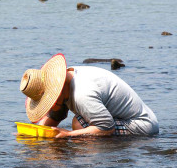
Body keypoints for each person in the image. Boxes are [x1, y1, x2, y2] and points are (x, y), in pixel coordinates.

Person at [20, 54, 158, 137]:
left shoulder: (82, 94)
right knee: (79, 124)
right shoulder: (66, 79)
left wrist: (68, 135)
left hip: (142, 126)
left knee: (79, 125)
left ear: (58, 90)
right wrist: (36, 134)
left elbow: (106, 127)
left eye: (49, 101)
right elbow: (57, 114)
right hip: (119, 117)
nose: (50, 106)